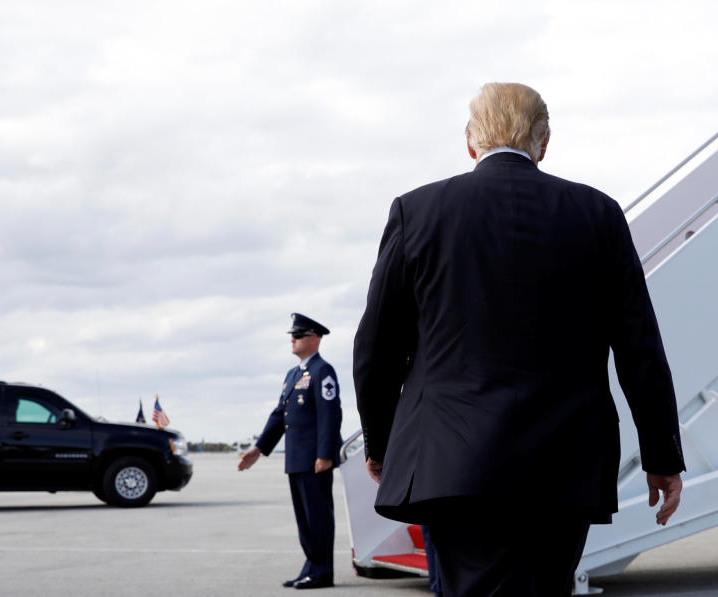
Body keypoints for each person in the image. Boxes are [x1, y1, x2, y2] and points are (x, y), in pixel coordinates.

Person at [353, 82, 685, 597]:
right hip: (567, 461)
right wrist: (661, 454)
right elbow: (640, 346)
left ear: (470, 141)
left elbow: (377, 347)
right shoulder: (598, 213)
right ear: (544, 141)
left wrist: (379, 441)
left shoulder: (416, 211)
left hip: (451, 460)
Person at [239, 313, 343, 590]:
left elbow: (330, 415)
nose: (292, 341)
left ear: (313, 338)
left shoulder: (323, 371)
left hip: (314, 460)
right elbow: (280, 414)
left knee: (318, 517)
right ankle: (311, 567)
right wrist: (258, 448)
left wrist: (325, 454)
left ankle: (322, 572)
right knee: (305, 520)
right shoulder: (294, 375)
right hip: (296, 458)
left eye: (297, 337)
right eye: (292, 337)